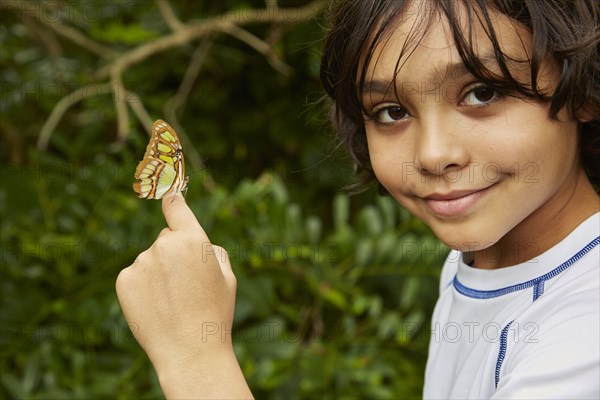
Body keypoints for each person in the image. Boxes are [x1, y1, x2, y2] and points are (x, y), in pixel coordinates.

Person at [116, 0, 600, 398]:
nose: (433, 155)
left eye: (482, 93)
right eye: (391, 111)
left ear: (583, 88)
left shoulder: (583, 335)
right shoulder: (482, 257)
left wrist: (194, 362)